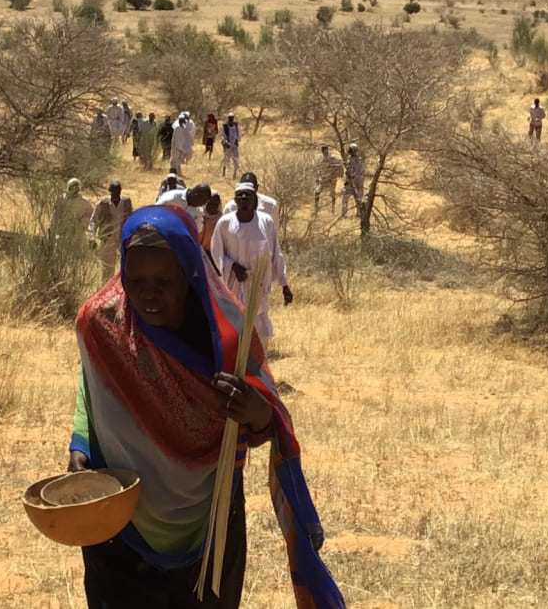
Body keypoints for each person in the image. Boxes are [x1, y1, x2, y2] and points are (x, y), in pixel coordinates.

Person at [69, 204, 344, 609]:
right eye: (136, 278)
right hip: (119, 520)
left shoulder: (228, 338)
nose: (148, 292)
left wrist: (255, 412)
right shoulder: (101, 321)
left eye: (165, 279)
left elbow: (268, 420)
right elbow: (90, 386)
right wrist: (80, 445)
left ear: (191, 275)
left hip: (210, 523)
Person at [211, 183, 293, 353]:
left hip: (258, 286)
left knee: (259, 328)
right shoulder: (225, 224)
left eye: (247, 195)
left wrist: (284, 284)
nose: (243, 198)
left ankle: (259, 371)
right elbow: (217, 252)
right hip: (234, 285)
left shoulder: (265, 222)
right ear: (235, 200)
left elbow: (275, 253)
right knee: (235, 327)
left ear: (255, 198)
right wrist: (232, 266)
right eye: (240, 195)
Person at [89, 179, 134, 283]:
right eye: (113, 192)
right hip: (107, 240)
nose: (115, 194)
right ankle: (106, 292)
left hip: (123, 239)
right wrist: (92, 238)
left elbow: (131, 219)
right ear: (110, 192)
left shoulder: (126, 202)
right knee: (107, 269)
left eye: (117, 192)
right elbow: (94, 221)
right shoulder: (103, 204)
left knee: (126, 266)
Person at [314, 145, 341, 212]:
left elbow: (337, 167)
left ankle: (333, 209)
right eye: (324, 151)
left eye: (326, 151)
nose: (325, 152)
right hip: (323, 178)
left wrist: (333, 177)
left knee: (332, 193)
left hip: (331, 179)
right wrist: (318, 177)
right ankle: (316, 208)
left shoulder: (332, 158)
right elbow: (318, 168)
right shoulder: (320, 158)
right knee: (317, 192)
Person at [342, 143, 364, 215]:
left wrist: (348, 179)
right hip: (360, 180)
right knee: (359, 197)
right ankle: (359, 213)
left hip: (352, 180)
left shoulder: (350, 160)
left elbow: (350, 171)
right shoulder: (360, 159)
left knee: (345, 196)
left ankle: (344, 213)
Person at [220, 113, 240, 180]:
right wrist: (226, 142)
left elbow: (238, 134)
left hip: (234, 145)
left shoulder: (236, 125)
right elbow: (223, 136)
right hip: (227, 146)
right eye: (230, 118)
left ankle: (234, 174)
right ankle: (224, 172)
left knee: (236, 160)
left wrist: (237, 140)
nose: (231, 119)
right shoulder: (225, 126)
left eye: (232, 118)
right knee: (226, 159)